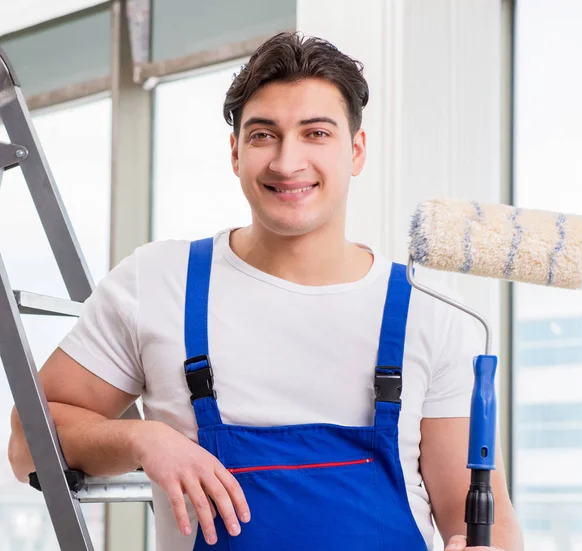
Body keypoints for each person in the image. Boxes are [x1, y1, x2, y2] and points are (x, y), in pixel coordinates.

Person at [8, 32, 523, 551]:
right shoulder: (160, 282)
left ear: (356, 151)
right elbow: (27, 444)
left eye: (316, 133)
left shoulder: (429, 313)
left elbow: (477, 514)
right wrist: (142, 438)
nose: (286, 162)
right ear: (236, 153)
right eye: (262, 135)